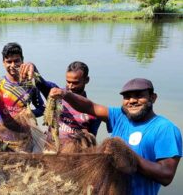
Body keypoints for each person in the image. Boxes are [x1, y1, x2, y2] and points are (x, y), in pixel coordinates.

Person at [49, 78, 182, 194]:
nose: (132, 101)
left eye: (139, 95)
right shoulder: (120, 116)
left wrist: (130, 157)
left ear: (153, 98)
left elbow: (166, 175)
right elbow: (90, 106)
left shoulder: (165, 129)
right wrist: (65, 94)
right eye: (127, 97)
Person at [0, 42, 45, 152]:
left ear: (22, 61)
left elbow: (42, 108)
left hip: (24, 139)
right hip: (2, 139)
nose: (13, 65)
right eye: (9, 62)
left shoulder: (31, 86)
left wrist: (30, 114)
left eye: (16, 61)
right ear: (3, 63)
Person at [37, 61, 103, 143]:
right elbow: (40, 81)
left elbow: (91, 141)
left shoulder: (93, 112)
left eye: (75, 83)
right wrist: (31, 66)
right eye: (68, 82)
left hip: (75, 153)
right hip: (51, 149)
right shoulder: (56, 97)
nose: (71, 86)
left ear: (86, 80)